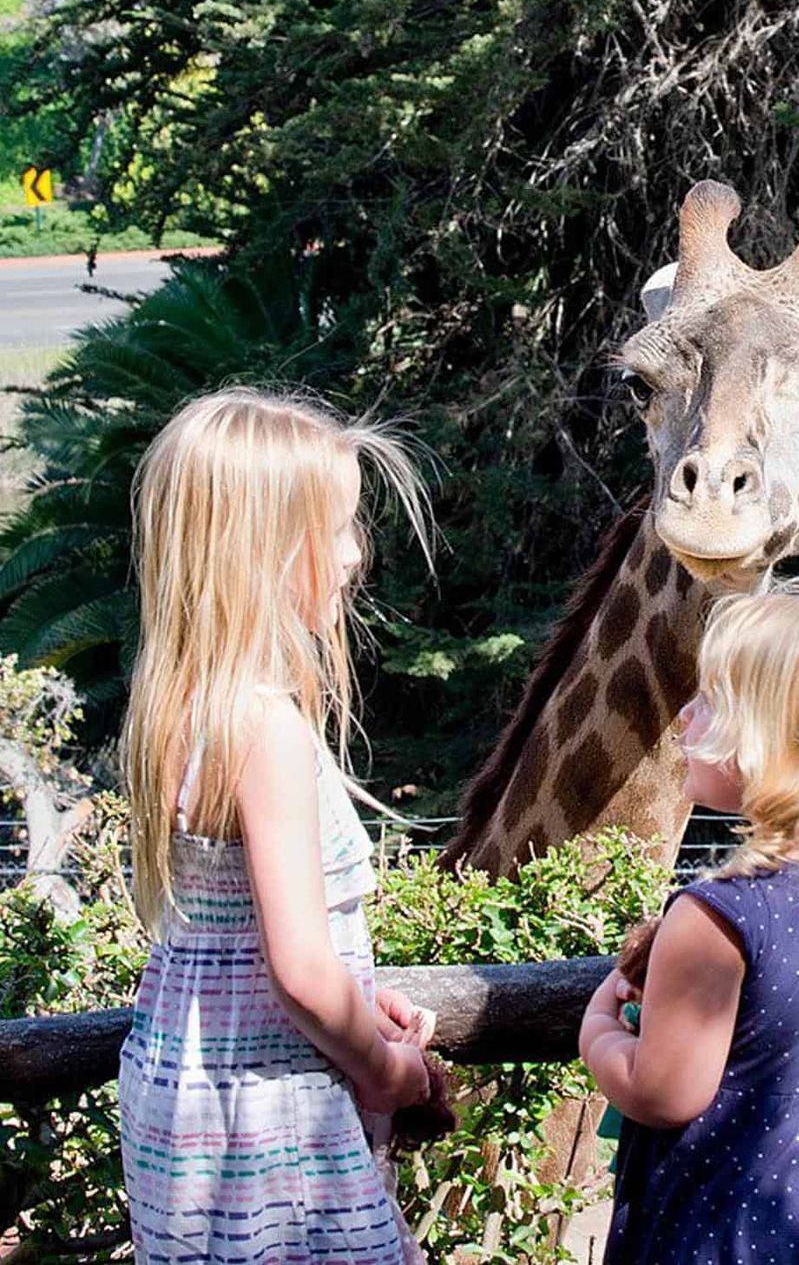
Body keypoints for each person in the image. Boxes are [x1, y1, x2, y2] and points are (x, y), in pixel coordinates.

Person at [118, 386, 435, 1263]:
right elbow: (296, 971)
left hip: (187, 1106)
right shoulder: (267, 729)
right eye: (335, 527)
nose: (352, 555)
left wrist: (359, 1001)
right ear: (264, 547)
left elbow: (234, 945)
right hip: (268, 1131)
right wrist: (384, 1065)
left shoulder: (178, 708)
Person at [580, 584, 799, 1264]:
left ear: (784, 739)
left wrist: (597, 1028)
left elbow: (661, 1093)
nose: (684, 713)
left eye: (712, 697)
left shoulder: (716, 916)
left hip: (735, 1230)